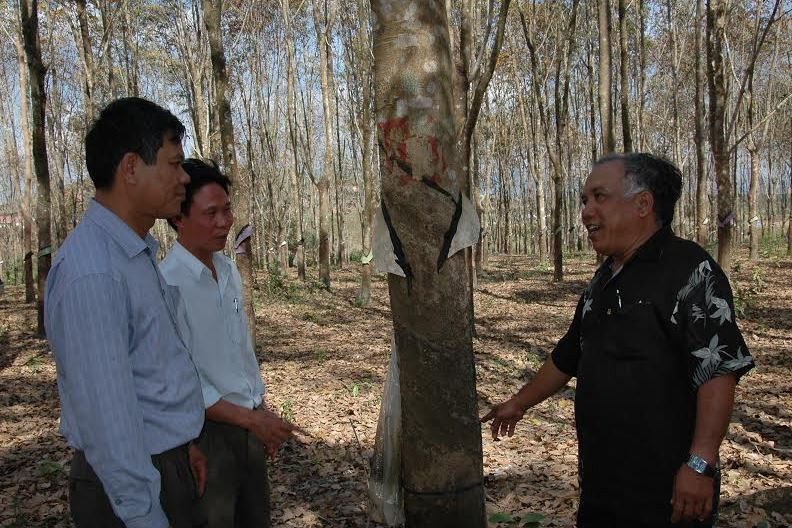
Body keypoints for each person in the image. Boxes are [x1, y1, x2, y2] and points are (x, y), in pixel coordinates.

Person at [482, 153, 755, 528]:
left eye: (599, 197)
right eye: (584, 201)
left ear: (643, 204)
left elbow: (718, 371)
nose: (586, 212)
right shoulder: (603, 280)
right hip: (601, 486)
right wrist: (519, 403)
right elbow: (569, 354)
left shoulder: (690, 270)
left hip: (668, 493)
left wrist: (700, 462)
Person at [45, 97, 207, 528]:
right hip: (127, 493)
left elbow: (148, 371)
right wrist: (143, 513)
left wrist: (181, 442)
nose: (184, 177)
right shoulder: (93, 272)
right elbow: (108, 423)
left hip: (159, 464)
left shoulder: (133, 254)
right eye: (174, 164)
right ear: (131, 168)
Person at [160, 158, 299, 527]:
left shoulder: (227, 270)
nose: (224, 222)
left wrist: (260, 407)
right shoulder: (167, 284)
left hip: (249, 426)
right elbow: (183, 380)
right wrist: (251, 419)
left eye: (227, 210)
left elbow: (241, 351)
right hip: (205, 438)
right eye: (210, 213)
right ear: (178, 218)